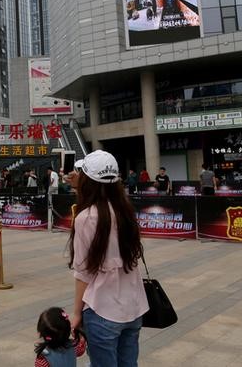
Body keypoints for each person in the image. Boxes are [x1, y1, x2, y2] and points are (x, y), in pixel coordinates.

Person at [67, 150, 148, 366]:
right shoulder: (125, 210)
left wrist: (76, 313)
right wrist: (79, 185)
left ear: (87, 181)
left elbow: (83, 272)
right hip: (133, 307)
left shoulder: (86, 218)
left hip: (102, 309)